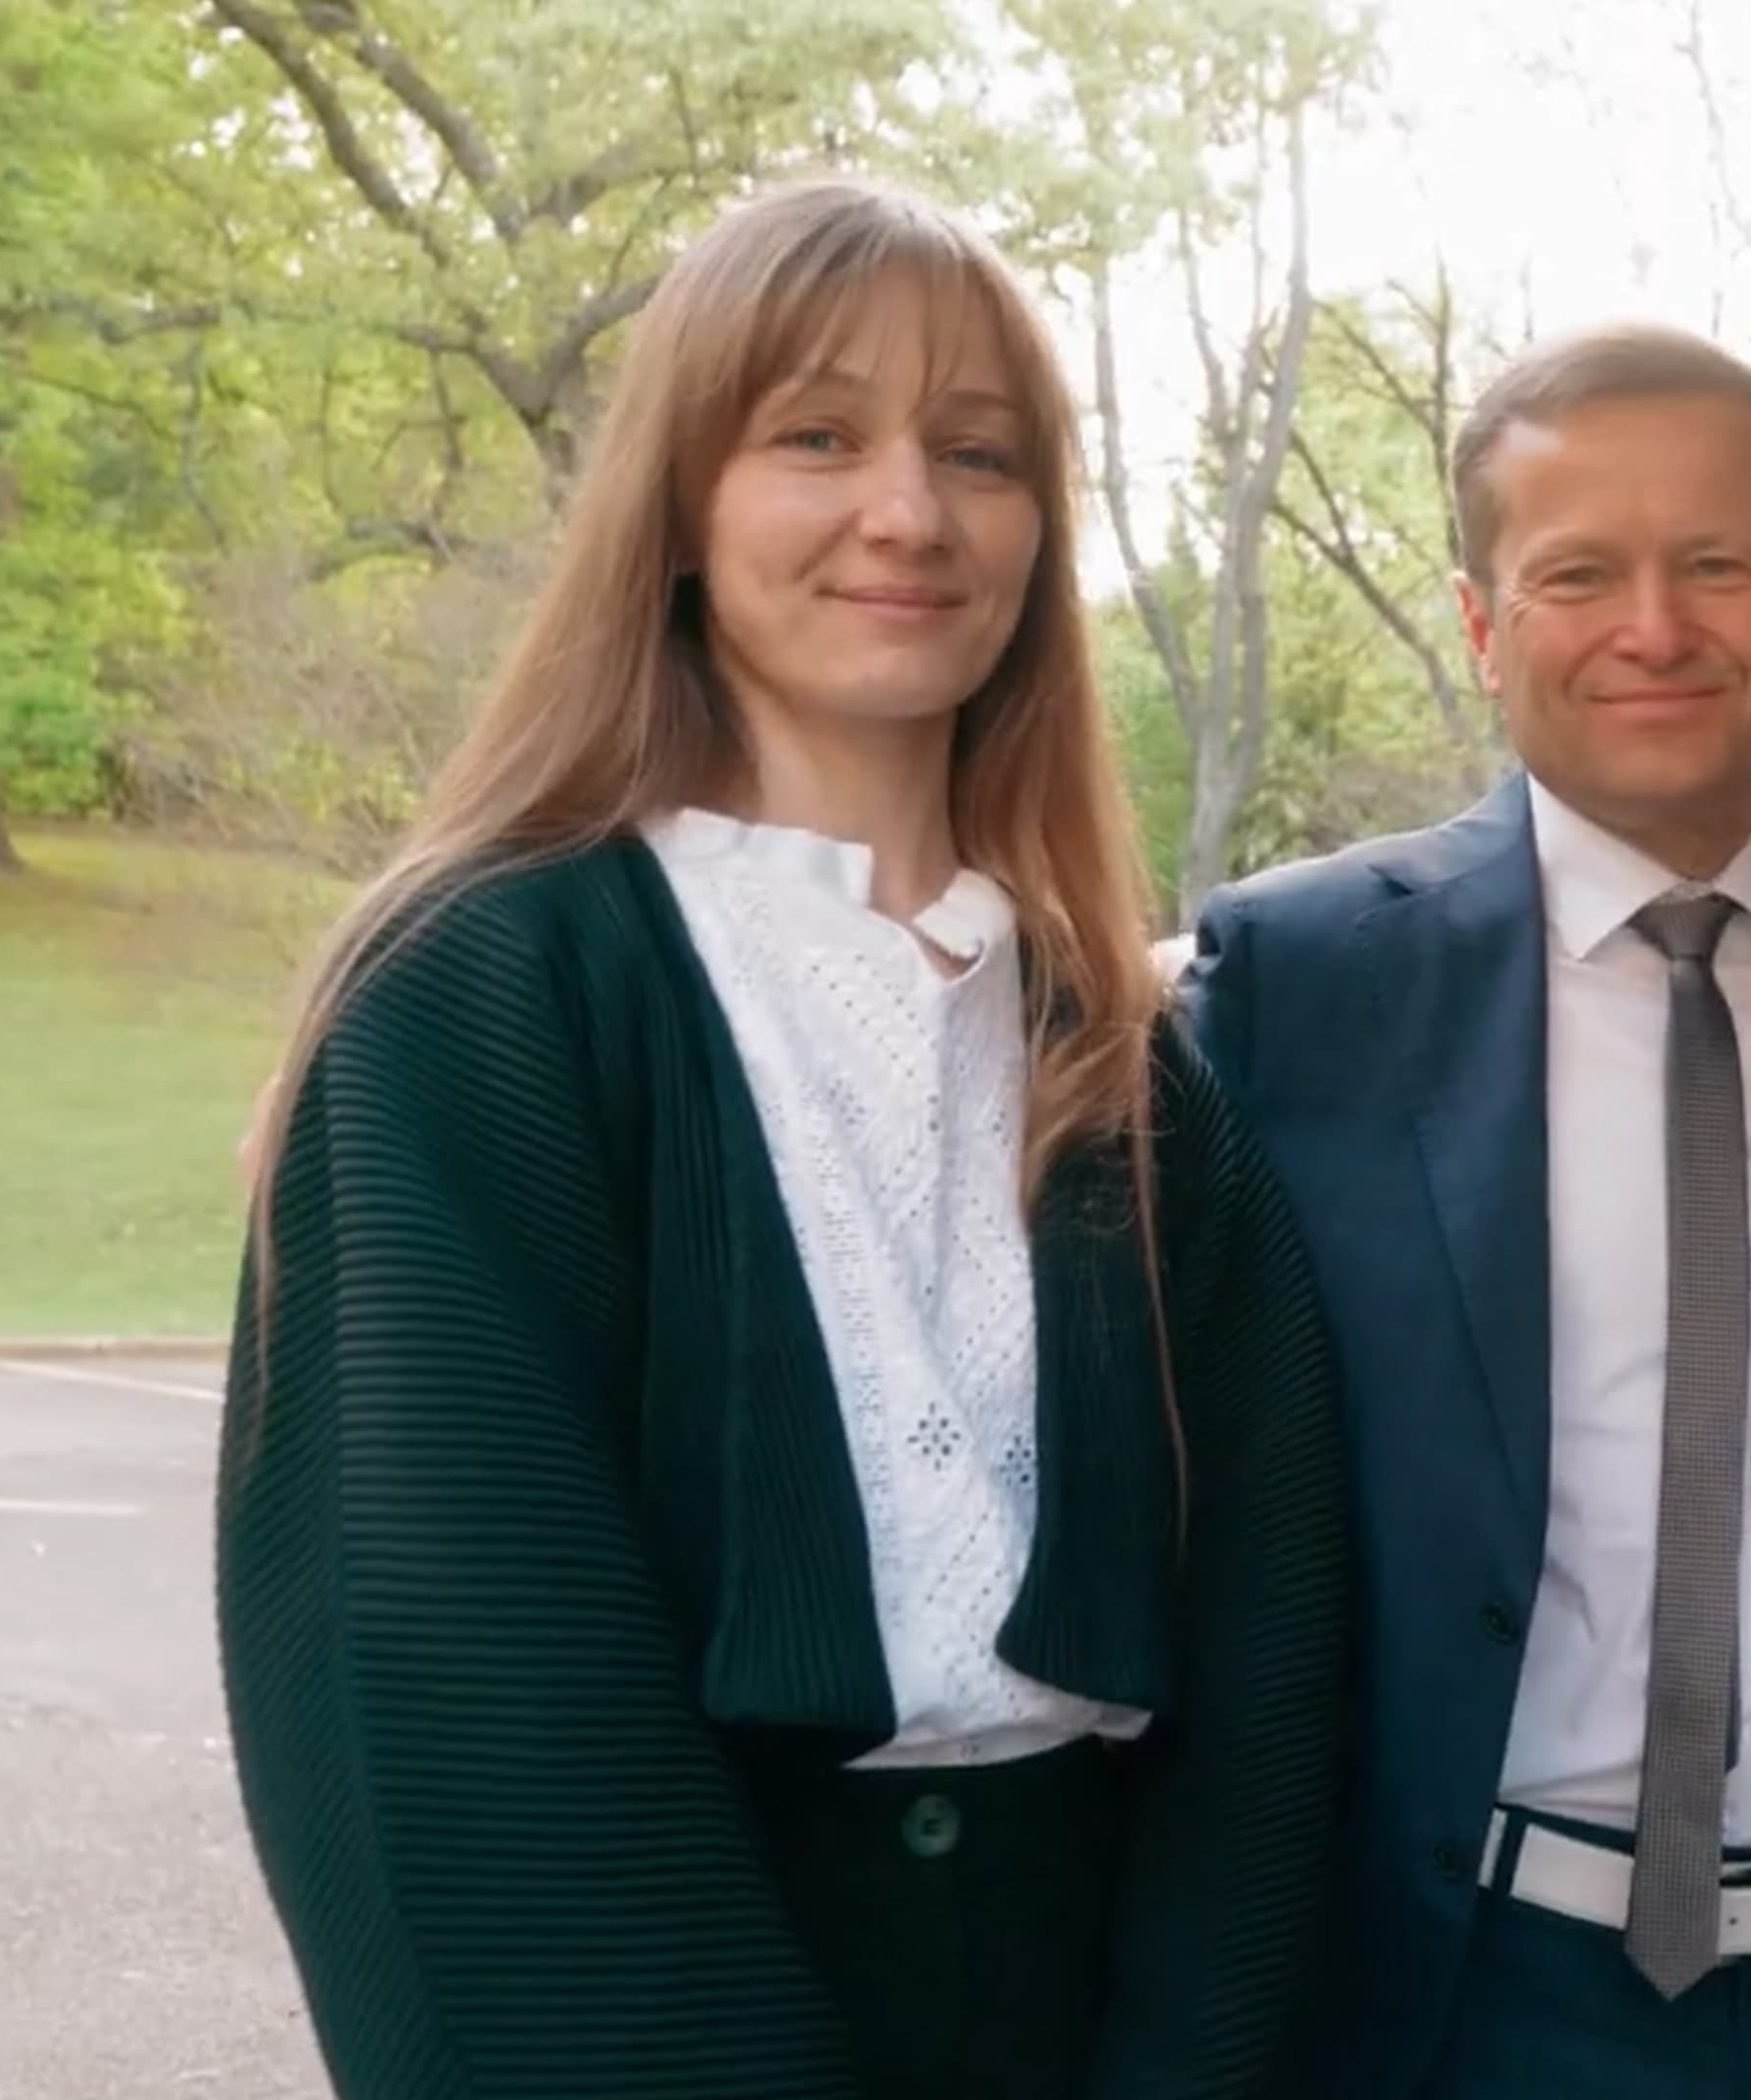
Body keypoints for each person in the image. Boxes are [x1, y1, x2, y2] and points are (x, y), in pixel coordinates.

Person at [217, 177, 1350, 2099]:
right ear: (680, 502)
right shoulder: (488, 997)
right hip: (662, 1999)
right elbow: (465, 1673)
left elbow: (1272, 1663)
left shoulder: (1122, 1068)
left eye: (977, 454)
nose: (909, 512)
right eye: (817, 437)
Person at [1180, 324, 1751, 2098]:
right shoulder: (1298, 991)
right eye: (1577, 574)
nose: (1654, 628)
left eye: (1714, 563)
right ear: (1484, 626)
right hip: (1492, 2001)